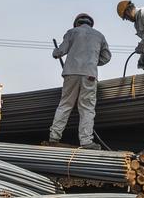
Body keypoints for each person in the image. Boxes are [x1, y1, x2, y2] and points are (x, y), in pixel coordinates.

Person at [43, 13, 111, 149]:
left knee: (65, 105)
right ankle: (86, 142)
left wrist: (56, 52)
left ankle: (54, 137)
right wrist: (92, 62)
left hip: (71, 74)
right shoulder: (99, 35)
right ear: (91, 24)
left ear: (76, 23)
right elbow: (107, 57)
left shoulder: (71, 32)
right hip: (89, 75)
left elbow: (59, 52)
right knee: (87, 108)